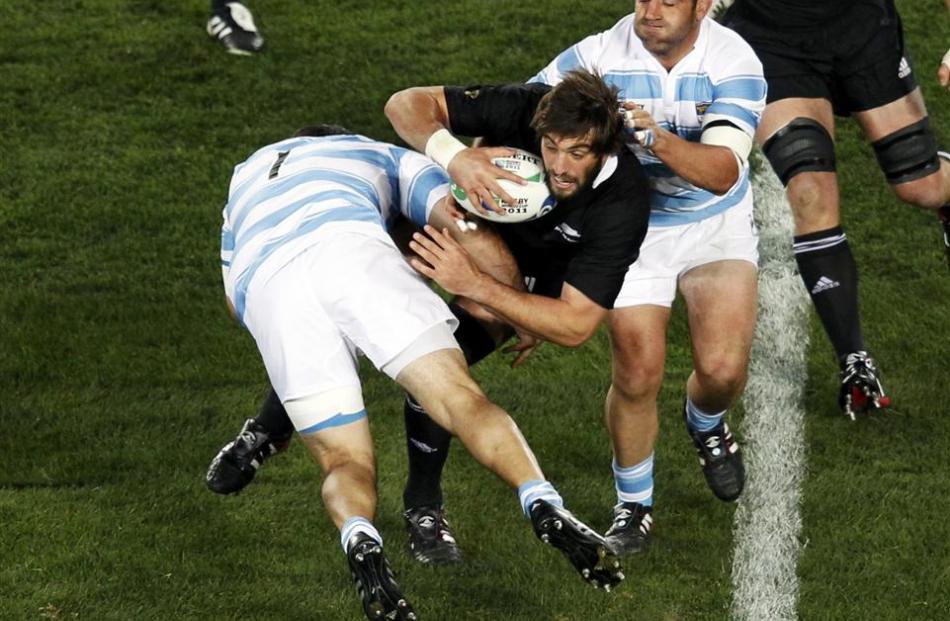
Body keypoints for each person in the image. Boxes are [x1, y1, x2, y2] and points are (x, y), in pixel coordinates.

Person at [206, 70, 653, 567]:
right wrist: (455, 156)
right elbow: (404, 104)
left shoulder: (624, 203)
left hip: (528, 275)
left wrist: (483, 288)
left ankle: (423, 509)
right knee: (371, 319)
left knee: (428, 368)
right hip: (466, 223)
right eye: (550, 147)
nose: (559, 166)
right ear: (540, 127)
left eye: (578, 154)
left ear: (607, 149)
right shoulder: (524, 105)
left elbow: (573, 325)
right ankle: (269, 429)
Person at [527, 0, 766, 554]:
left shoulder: (734, 62)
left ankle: (706, 422)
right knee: (636, 372)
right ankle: (633, 504)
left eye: (668, 0)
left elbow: (721, 173)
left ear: (703, 6)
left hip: (714, 224)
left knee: (724, 369)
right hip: (632, 229)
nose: (650, 10)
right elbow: (524, 112)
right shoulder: (597, 55)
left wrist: (654, 138)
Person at [718, 0, 950, 419]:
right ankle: (855, 362)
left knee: (922, 186)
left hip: (861, 31)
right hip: (771, 39)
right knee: (809, 192)